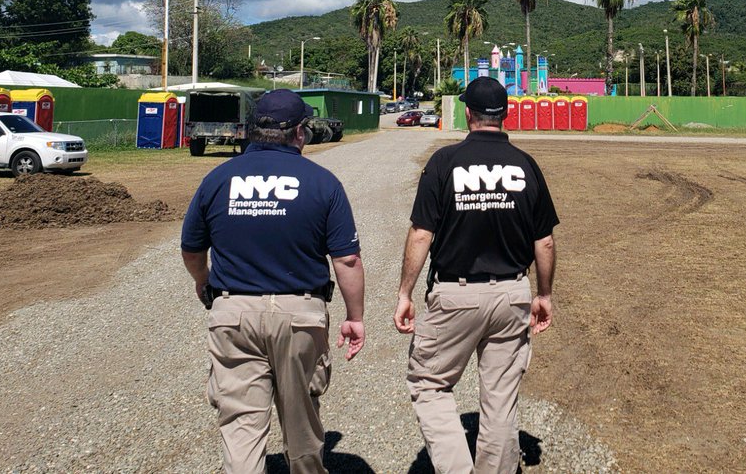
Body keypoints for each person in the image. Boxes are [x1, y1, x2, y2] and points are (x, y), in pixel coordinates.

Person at [181, 89, 365, 474]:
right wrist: (355, 315)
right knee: (301, 422)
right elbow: (346, 259)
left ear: (251, 131)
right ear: (300, 132)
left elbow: (192, 248)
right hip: (300, 316)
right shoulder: (322, 182)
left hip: (234, 313)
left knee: (241, 423)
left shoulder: (217, 179)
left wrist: (202, 281)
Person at [394, 77, 558, 474]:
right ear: (505, 115)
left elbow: (421, 232)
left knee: (430, 385)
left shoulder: (444, 162)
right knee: (500, 398)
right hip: (511, 295)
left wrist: (405, 292)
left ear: (468, 113)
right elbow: (545, 242)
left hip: (456, 294)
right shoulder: (525, 165)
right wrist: (545, 295)